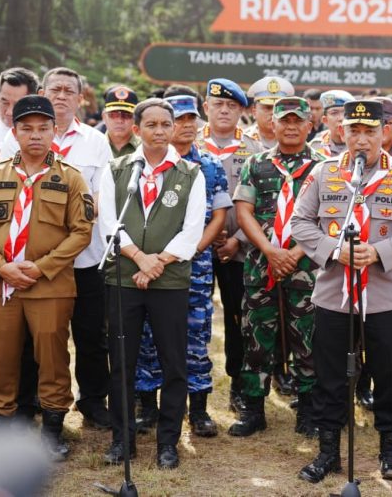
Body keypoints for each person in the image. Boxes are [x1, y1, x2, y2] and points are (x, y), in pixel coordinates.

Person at [293, 100, 392, 483]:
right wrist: (335, 250)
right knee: (330, 375)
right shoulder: (324, 173)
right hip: (334, 293)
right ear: (342, 132)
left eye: (370, 131)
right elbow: (300, 223)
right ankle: (328, 452)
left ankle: (390, 449)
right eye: (354, 131)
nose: (362, 139)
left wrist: (379, 252)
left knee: (389, 373)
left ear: (385, 132)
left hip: (384, 295)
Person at [0, 95, 94, 460]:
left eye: (43, 128)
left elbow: (81, 232)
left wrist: (41, 268)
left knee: (53, 361)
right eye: (27, 128)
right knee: (0, 362)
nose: (35, 135)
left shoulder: (70, 178)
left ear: (54, 130)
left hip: (49, 286)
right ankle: (1, 435)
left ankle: (52, 433)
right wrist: (0, 266)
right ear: (15, 131)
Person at [1, 67, 113, 430]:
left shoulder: (96, 141)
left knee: (90, 335)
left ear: (80, 99)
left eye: (69, 90)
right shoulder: (15, 139)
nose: (61, 95)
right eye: (55, 89)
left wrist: (69, 233)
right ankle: (30, 399)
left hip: (85, 259)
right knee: (35, 337)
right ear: (42, 92)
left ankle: (92, 400)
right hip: (32, 263)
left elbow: (102, 196)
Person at [98, 98, 206, 469]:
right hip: (124, 279)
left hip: (169, 281)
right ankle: (122, 440)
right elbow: (108, 222)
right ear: (136, 129)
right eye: (151, 124)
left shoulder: (190, 173)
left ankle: (168, 443)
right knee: (121, 362)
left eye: (165, 124)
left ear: (173, 128)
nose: (159, 131)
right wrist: (139, 258)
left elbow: (192, 230)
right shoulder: (116, 170)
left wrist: (156, 262)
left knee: (174, 363)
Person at [132, 94, 230, 438]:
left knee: (195, 336)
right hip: (149, 265)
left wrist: (191, 250)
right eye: (180, 120)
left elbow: (219, 217)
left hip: (194, 267)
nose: (187, 126)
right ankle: (148, 406)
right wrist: (155, 259)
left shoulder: (210, 166)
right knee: (147, 335)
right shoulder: (140, 165)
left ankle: (198, 409)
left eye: (191, 119)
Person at [229, 96, 323, 438]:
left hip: (307, 267)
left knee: (309, 341)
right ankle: (253, 410)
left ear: (310, 125)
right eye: (285, 120)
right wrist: (271, 252)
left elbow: (328, 218)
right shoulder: (256, 163)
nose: (291, 126)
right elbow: (244, 212)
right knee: (256, 340)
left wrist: (293, 254)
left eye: (298, 120)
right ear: (273, 124)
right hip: (261, 266)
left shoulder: (324, 167)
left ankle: (309, 411)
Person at [197, 78, 255, 413]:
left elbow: (264, 205)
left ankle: (238, 384)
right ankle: (193, 390)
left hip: (239, 250)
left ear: (241, 110)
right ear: (206, 107)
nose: (224, 111)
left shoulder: (253, 149)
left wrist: (237, 239)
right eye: (218, 104)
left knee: (238, 319)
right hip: (196, 249)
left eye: (231, 106)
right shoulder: (189, 144)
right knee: (193, 319)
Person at [243, 76, 294, 150]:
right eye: (268, 108)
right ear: (254, 112)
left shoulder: (294, 139)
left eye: (278, 108)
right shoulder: (242, 140)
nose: (273, 113)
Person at [309, 90, 353, 157]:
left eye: (345, 113)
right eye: (334, 113)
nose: (341, 118)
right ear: (325, 120)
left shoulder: (361, 144)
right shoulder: (315, 146)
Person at [102, 86, 140, 158]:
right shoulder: (93, 145)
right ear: (104, 117)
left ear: (135, 119)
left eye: (127, 115)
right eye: (113, 115)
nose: (119, 121)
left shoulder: (145, 148)